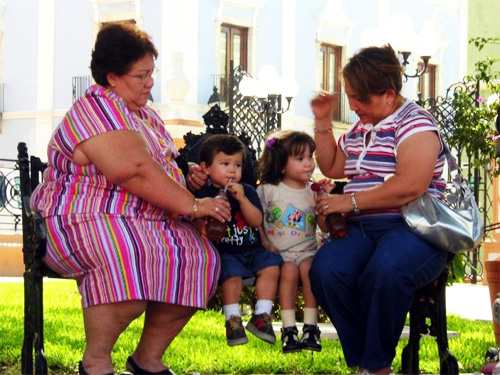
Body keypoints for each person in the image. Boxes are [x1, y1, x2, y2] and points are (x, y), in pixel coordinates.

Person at [30, 22, 231, 375]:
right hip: (83, 214)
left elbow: (158, 169)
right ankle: (95, 361)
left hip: (146, 219)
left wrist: (187, 179)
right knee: (129, 258)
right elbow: (133, 169)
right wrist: (193, 206)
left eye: (151, 73)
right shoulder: (95, 108)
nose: (150, 83)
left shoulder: (147, 116)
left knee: (198, 260)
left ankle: (147, 361)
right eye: (141, 76)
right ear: (112, 77)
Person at [308, 45, 449, 375]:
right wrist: (323, 121)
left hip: (414, 228)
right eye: (351, 98)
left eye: (362, 100)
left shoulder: (415, 123)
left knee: (386, 271)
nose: (355, 107)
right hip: (361, 230)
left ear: (389, 94)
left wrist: (349, 202)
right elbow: (330, 165)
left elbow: (410, 185)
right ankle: (367, 362)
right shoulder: (361, 129)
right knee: (327, 272)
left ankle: (374, 366)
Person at [193, 134, 283, 347]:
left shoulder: (247, 191)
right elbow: (195, 219)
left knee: (271, 266)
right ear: (206, 168)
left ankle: (262, 316)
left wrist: (242, 199)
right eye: (225, 164)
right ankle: (232, 320)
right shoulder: (204, 194)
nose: (232, 170)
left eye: (237, 165)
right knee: (231, 275)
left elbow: (256, 220)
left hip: (252, 248)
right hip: (226, 252)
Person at [257, 130, 332, 354]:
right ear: (281, 165)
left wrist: (324, 202)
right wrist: (264, 242)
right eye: (300, 159)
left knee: (310, 270)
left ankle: (310, 327)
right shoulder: (269, 190)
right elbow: (256, 219)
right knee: (288, 271)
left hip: (308, 249)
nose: (308, 164)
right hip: (281, 253)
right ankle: (289, 329)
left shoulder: (313, 191)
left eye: (310, 157)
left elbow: (324, 226)